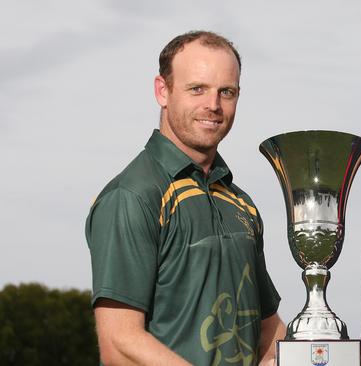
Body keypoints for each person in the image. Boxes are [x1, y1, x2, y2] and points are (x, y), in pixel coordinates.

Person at [86, 31, 285, 366]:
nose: (213, 105)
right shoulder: (133, 195)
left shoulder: (241, 204)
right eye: (197, 88)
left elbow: (268, 330)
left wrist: (315, 351)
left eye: (227, 91)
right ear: (163, 91)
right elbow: (119, 344)